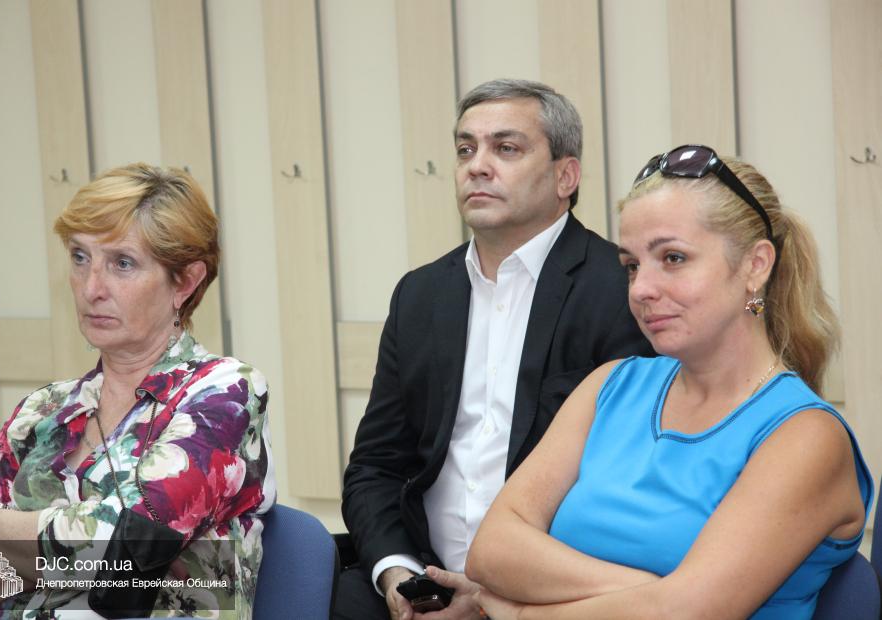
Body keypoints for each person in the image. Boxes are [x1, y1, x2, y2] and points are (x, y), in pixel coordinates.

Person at [465, 145, 873, 619]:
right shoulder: (610, 386)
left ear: (755, 266)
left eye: (673, 258)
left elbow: (689, 615)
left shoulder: (805, 436)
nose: (641, 289)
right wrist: (656, 594)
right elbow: (491, 548)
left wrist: (522, 615)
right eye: (632, 266)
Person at [336, 79, 653, 620]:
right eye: (466, 149)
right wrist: (398, 575)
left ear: (565, 176)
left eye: (506, 148)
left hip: (551, 595)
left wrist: (495, 597)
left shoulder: (622, 291)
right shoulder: (420, 295)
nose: (477, 166)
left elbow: (625, 486)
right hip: (422, 582)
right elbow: (376, 466)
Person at [0, 163, 275, 619]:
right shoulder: (41, 410)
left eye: (123, 263)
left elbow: (125, 545)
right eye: (80, 257)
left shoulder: (224, 392)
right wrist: (49, 558)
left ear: (185, 282)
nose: (91, 288)